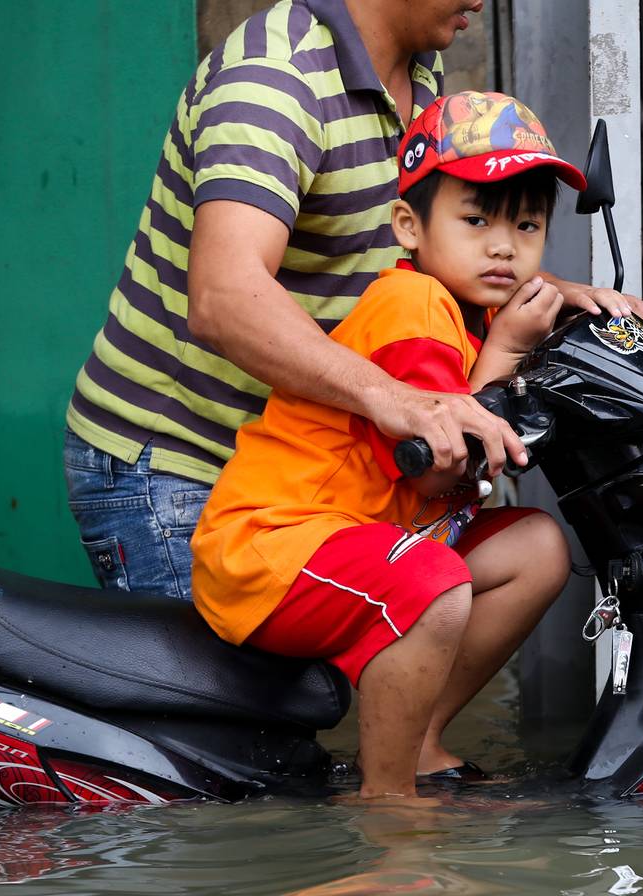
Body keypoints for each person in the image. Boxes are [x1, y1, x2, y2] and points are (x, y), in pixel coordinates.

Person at [63, 0, 643, 600]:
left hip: (309, 476)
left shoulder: (417, 73)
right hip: (185, 465)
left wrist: (556, 294)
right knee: (255, 696)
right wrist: (399, 399)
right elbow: (224, 298)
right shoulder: (276, 78)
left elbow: (419, 244)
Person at [190, 91, 582, 799]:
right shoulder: (414, 306)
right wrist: (504, 352)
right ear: (409, 225)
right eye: (476, 220)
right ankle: (390, 804)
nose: (503, 245)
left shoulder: (470, 310)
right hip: (276, 547)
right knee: (432, 587)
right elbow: (440, 473)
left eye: (526, 224)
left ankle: (419, 740)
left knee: (538, 548)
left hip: (359, 540)